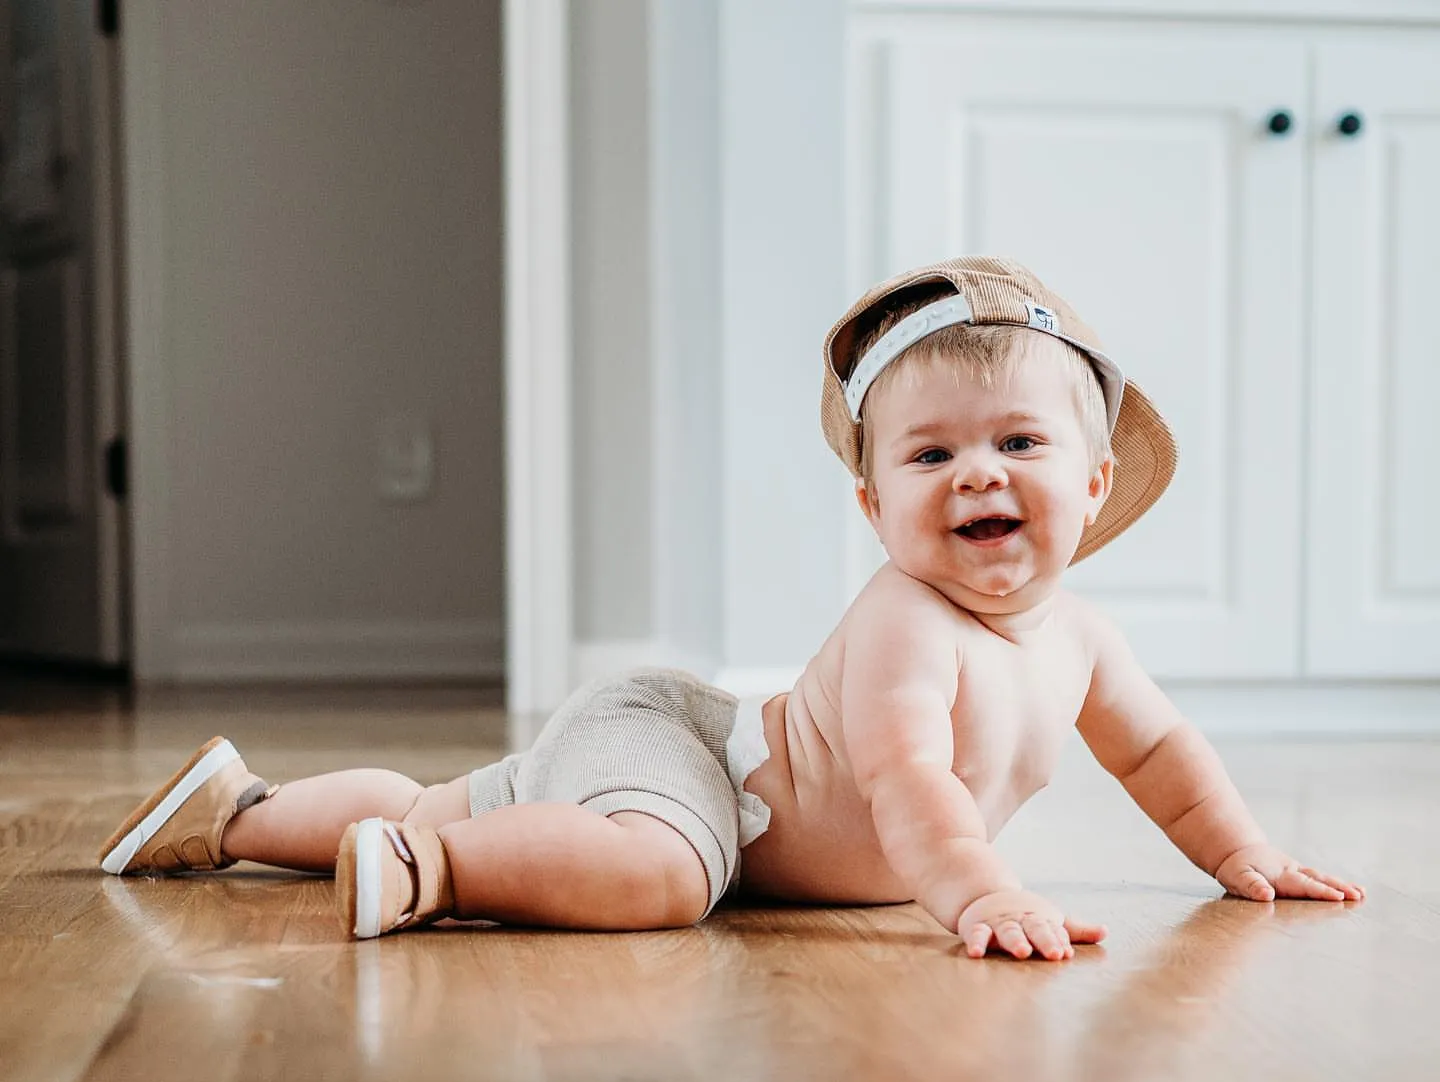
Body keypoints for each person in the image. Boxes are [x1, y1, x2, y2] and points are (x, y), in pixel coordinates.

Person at [98, 257, 1364, 956]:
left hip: (678, 752)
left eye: (1017, 442)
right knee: (659, 878)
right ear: (874, 507)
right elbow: (912, 784)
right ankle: (430, 872)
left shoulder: (1088, 643)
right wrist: (977, 894)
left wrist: (1236, 851)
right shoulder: (904, 624)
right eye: (928, 457)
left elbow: (1158, 754)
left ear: (1091, 485)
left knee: (459, 785)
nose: (977, 473)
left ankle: (239, 815)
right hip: (683, 752)